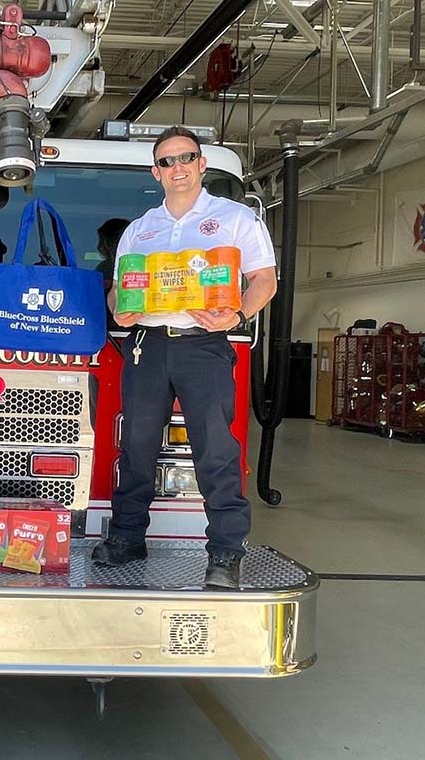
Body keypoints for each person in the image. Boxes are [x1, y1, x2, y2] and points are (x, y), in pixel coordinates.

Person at [93, 126, 278, 589]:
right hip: (147, 346)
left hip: (204, 345)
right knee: (136, 449)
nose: (177, 168)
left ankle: (225, 553)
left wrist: (236, 314)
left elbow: (264, 281)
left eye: (186, 158)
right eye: (167, 161)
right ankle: (127, 537)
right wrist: (123, 312)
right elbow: (118, 292)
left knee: (216, 450)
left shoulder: (236, 219)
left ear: (201, 165)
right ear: (156, 172)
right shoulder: (140, 230)